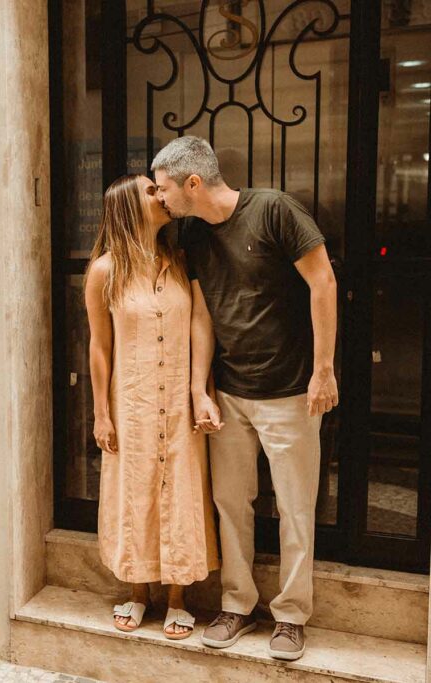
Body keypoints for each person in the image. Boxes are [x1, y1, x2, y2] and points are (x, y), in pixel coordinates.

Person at [151, 136, 338, 661]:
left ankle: (291, 615)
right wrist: (199, 389)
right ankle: (238, 602)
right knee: (231, 503)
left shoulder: (275, 210)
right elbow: (203, 314)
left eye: (164, 188)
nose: (160, 199)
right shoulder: (191, 233)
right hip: (230, 393)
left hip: (290, 391)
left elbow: (323, 282)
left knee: (296, 508)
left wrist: (323, 371)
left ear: (192, 183)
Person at [85, 174, 220, 640]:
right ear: (126, 205)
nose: (161, 195)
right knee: (135, 491)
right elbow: (99, 348)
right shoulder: (105, 270)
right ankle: (139, 592)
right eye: (149, 190)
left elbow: (201, 322)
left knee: (181, 490)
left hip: (179, 402)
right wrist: (101, 412)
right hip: (134, 403)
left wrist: (201, 390)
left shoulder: (180, 262)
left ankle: (178, 597)